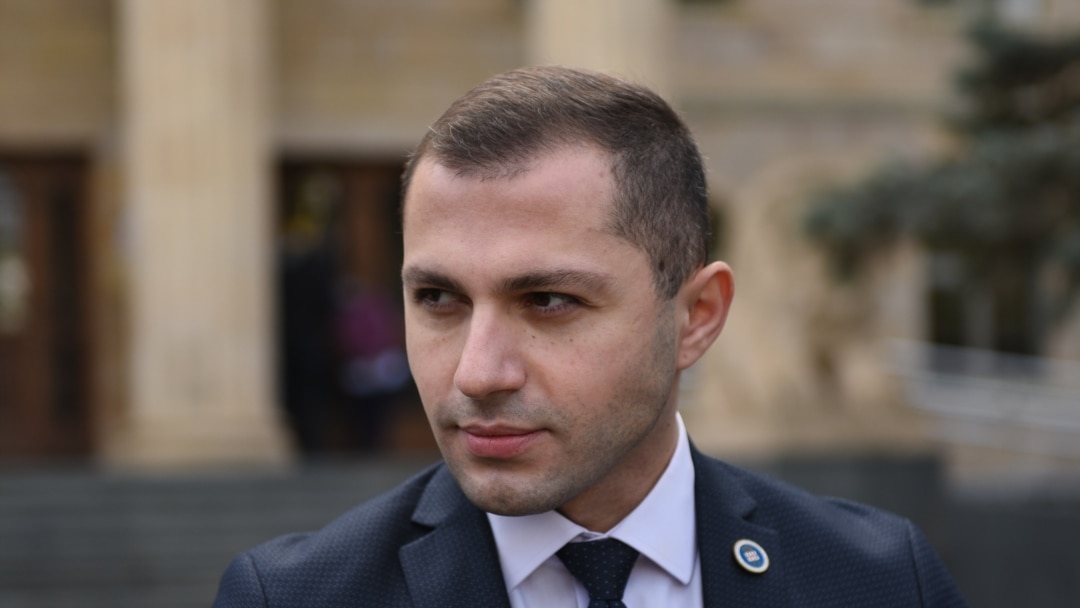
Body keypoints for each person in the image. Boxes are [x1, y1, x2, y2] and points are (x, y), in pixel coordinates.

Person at [213, 66, 967, 607]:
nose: (476, 373)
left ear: (697, 316)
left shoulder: (878, 580)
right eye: (438, 298)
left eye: (548, 301)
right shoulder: (293, 596)